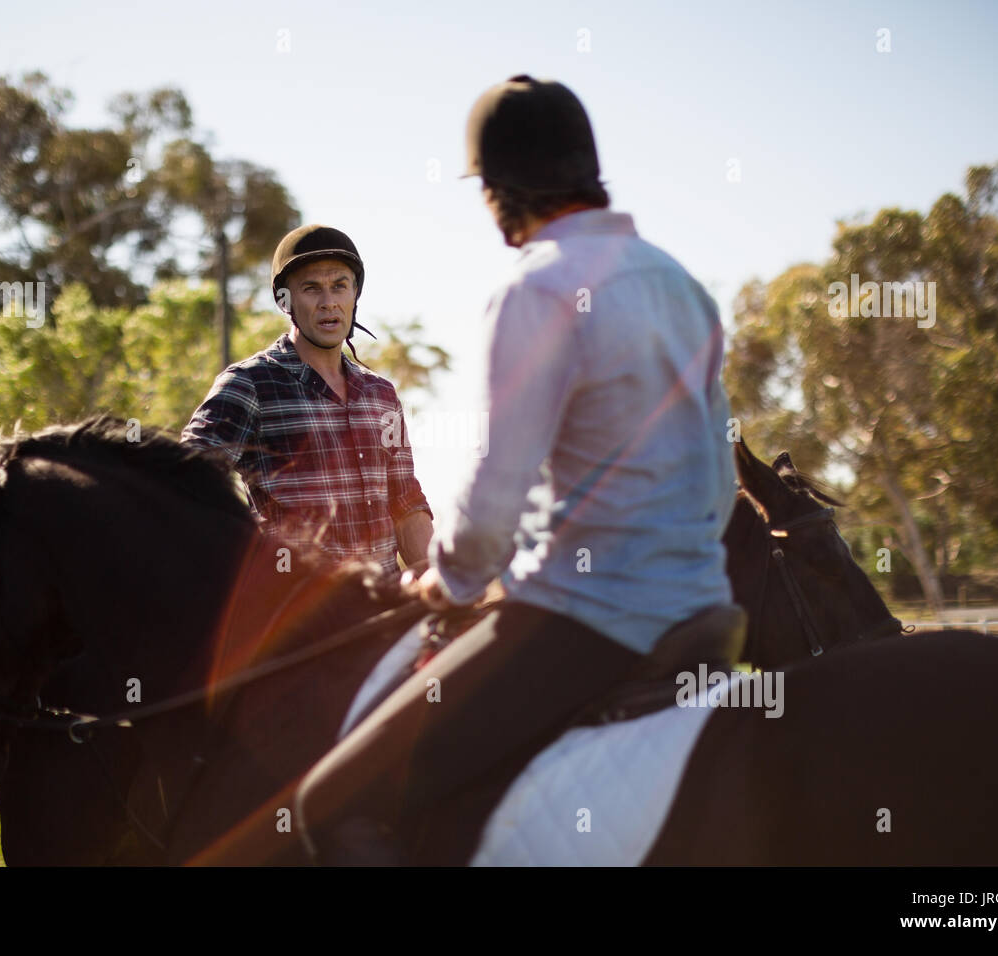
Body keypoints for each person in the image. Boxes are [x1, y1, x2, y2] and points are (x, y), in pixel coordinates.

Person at [292, 75, 741, 865]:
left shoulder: (538, 288)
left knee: (334, 802)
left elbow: (494, 499)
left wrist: (449, 580)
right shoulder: (679, 283)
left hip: (582, 623)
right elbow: (714, 484)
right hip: (704, 614)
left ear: (500, 189)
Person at [181, 225, 433, 577]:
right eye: (311, 288)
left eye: (339, 286)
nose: (328, 301)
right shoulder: (250, 384)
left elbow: (405, 500)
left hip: (385, 611)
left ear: (355, 293)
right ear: (285, 301)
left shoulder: (381, 395)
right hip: (300, 619)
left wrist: (434, 578)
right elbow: (183, 482)